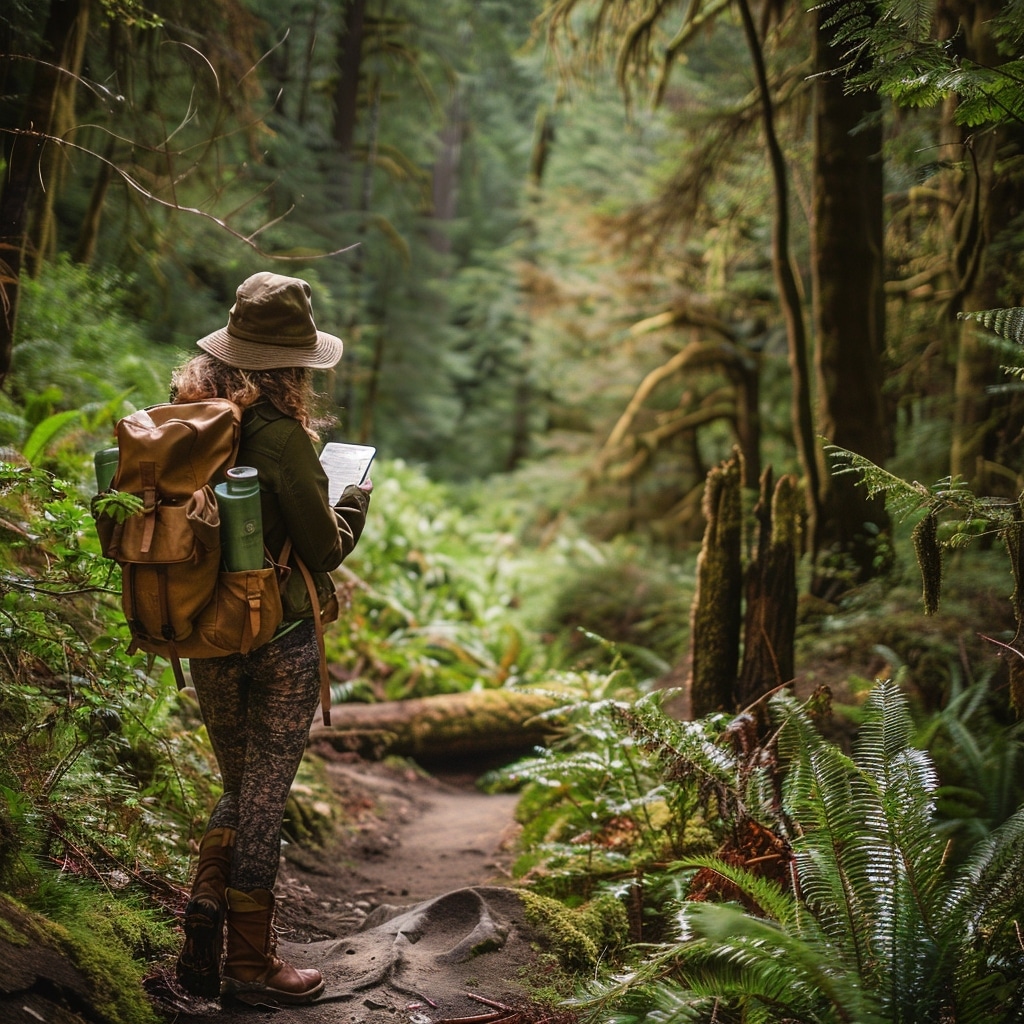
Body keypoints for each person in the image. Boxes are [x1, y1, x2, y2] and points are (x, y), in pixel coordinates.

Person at [171, 272, 371, 1006]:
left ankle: (204, 908)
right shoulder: (283, 438)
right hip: (281, 637)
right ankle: (251, 968)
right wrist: (353, 506)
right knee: (263, 797)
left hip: (206, 634)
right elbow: (321, 551)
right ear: (292, 365)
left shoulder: (191, 417)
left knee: (237, 787)